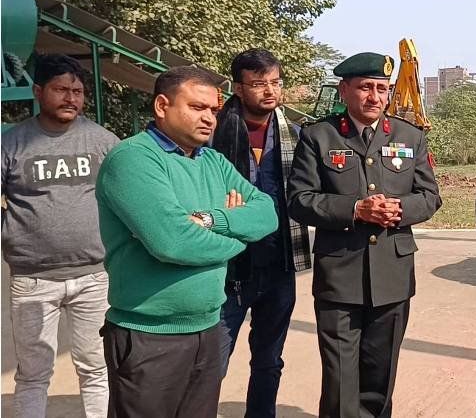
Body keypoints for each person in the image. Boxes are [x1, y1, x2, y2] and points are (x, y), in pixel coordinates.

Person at [95, 66, 278, 418]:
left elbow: (267, 213)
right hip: (149, 336)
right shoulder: (133, 159)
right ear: (162, 106)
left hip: (207, 328)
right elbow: (173, 242)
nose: (209, 118)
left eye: (213, 110)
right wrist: (240, 237)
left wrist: (211, 221)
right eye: (197, 107)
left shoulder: (213, 162)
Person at [287, 51, 441, 418]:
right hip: (339, 276)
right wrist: (355, 209)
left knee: (380, 376)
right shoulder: (319, 136)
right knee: (340, 378)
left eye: (382, 89)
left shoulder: (409, 136)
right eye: (365, 88)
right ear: (344, 90)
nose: (375, 97)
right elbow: (299, 200)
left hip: (392, 274)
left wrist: (400, 209)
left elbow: (429, 196)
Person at [1, 54, 119, 418]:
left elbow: (128, 195)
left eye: (77, 91)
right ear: (38, 92)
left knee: (97, 368)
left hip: (94, 277)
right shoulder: (12, 143)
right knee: (33, 374)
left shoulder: (103, 141)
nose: (70, 98)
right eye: (61, 90)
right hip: (33, 280)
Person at [213, 48, 310, 418]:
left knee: (269, 361)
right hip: (227, 270)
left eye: (275, 82)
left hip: (279, 265)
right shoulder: (213, 134)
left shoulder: (295, 138)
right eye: (258, 84)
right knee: (211, 362)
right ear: (238, 88)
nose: (270, 91)